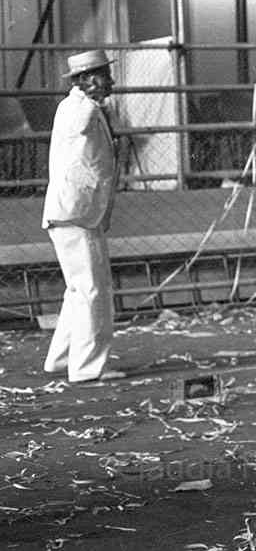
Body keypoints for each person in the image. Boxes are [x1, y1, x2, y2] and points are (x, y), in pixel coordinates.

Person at [42, 51, 124, 384]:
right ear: (87, 79)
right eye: (104, 75)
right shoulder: (83, 110)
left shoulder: (77, 108)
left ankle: (61, 358)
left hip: (70, 211)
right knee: (93, 289)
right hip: (76, 212)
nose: (110, 81)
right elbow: (80, 154)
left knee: (78, 289)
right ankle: (88, 367)